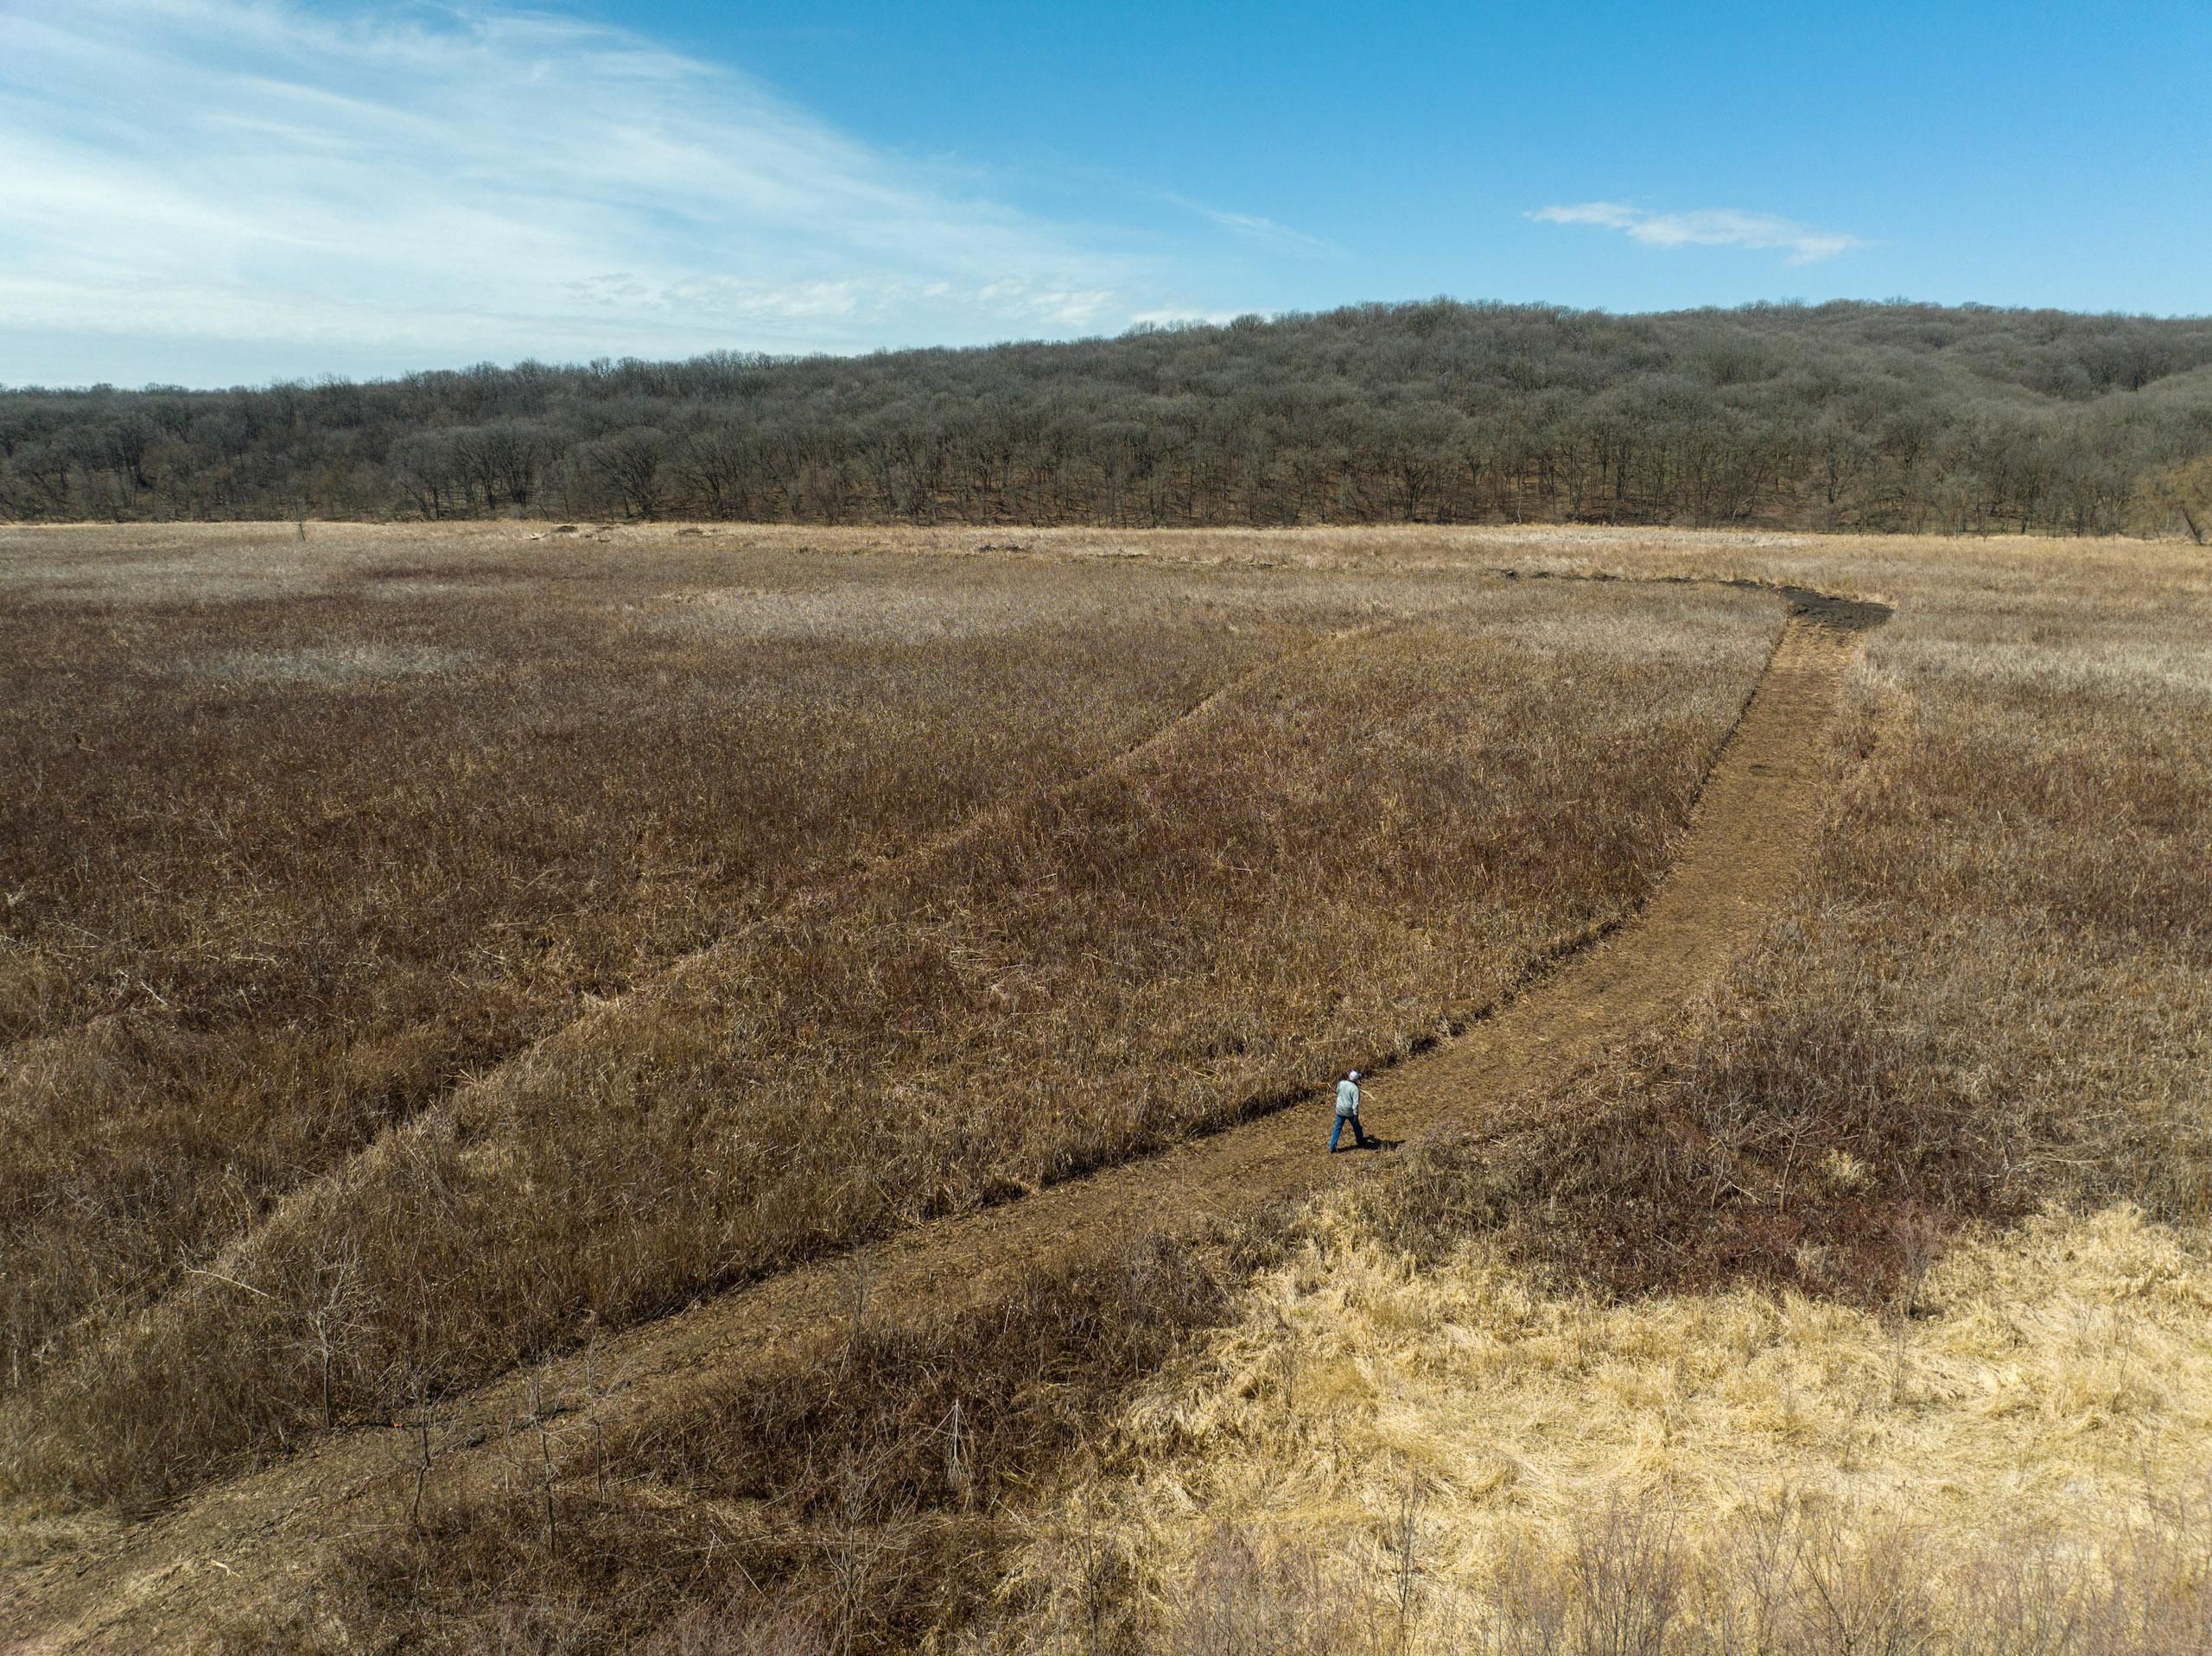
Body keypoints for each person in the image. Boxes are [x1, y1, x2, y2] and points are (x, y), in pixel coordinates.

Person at [1330, 1068, 1372, 1152]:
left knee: (1338, 1127)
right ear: (1356, 1079)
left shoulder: (1341, 1083)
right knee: (1357, 1127)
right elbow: (1355, 1104)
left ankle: (1332, 1146)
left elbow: (1337, 1091)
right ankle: (1360, 1142)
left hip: (1339, 1108)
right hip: (1349, 1111)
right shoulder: (1355, 1089)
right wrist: (1356, 1114)